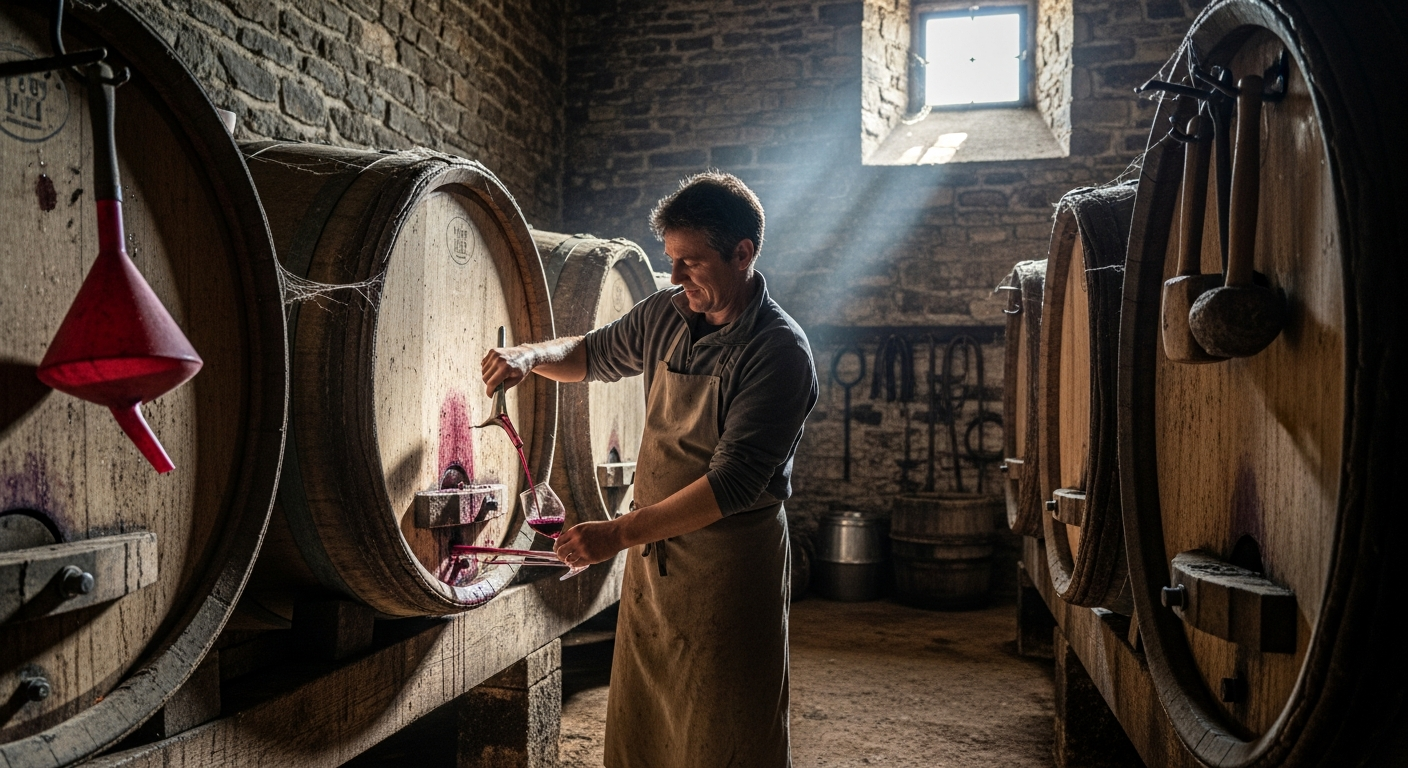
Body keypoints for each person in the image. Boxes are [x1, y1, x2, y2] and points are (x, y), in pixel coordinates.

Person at [480, 171, 818, 768]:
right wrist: (530, 357)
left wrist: (617, 533)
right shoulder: (666, 312)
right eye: (671, 260)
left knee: (725, 732)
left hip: (727, 564)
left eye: (690, 262)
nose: (675, 277)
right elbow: (591, 354)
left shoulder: (779, 352)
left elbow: (732, 483)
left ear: (743, 254)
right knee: (646, 727)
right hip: (655, 559)